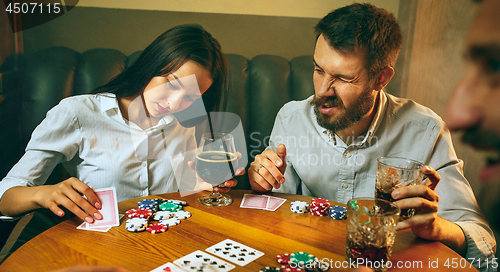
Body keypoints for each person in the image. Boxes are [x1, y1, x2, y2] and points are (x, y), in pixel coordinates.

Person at [248, 3, 496, 270]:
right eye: (318, 69)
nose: (321, 91)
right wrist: (262, 181)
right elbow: (277, 207)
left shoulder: (426, 130)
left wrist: (438, 228)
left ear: (381, 79)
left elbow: (484, 242)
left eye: (342, 78)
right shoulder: (291, 118)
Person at [0, 24, 244, 257]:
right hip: (99, 248)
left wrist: (204, 185)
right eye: (171, 82)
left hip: (167, 247)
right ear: (152, 64)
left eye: (191, 97)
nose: (174, 104)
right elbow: (5, 198)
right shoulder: (78, 112)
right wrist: (44, 194)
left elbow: (184, 192)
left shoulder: (183, 122)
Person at [445, 0, 500, 235]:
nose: (453, 117)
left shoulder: (423, 127)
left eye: (495, 66)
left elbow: (478, 235)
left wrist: (440, 229)